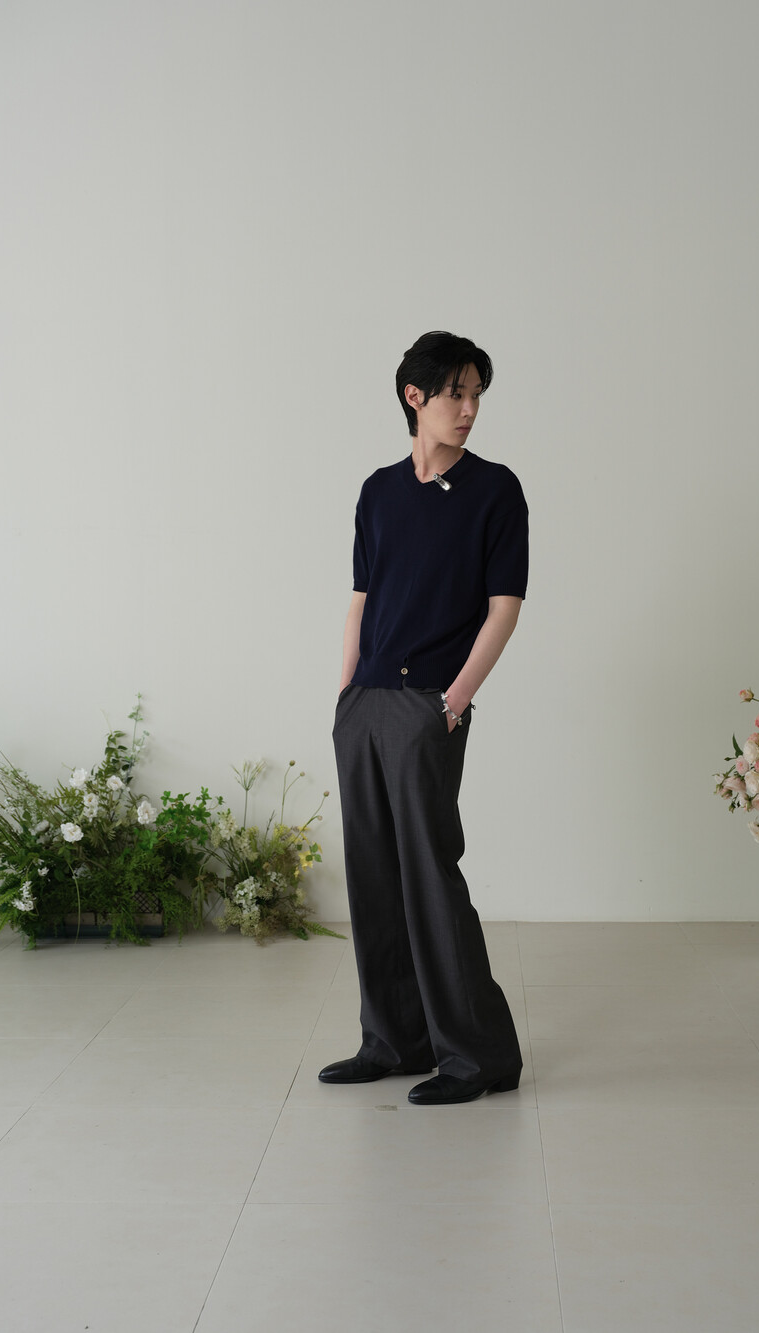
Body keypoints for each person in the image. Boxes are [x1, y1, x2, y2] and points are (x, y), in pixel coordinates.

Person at [319, 330, 529, 1105]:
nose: (469, 409)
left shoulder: (494, 491)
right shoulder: (378, 491)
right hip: (366, 703)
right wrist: (346, 696)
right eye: (455, 393)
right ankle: (394, 1040)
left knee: (430, 875)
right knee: (373, 875)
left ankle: (479, 1058)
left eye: (476, 395)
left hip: (428, 703)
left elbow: (504, 608)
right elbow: (361, 600)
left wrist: (453, 701)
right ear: (416, 397)